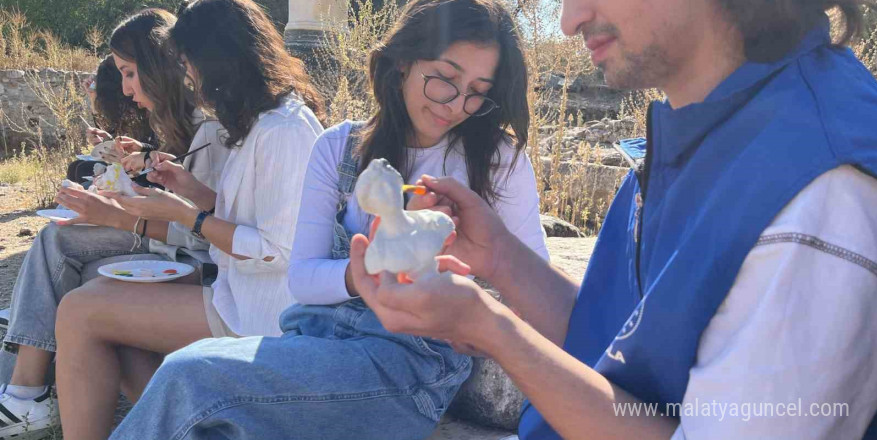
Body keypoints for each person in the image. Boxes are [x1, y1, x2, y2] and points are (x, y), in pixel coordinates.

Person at [345, 0, 877, 439]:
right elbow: (621, 345)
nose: (569, 20)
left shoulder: (821, 188)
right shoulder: (698, 133)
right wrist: (501, 257)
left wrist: (490, 328)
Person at [107, 1, 547, 439]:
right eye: (445, 80)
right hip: (314, 339)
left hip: (407, 365)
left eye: (477, 91)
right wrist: (372, 264)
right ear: (403, 62)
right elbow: (302, 278)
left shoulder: (495, 160)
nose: (457, 104)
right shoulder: (339, 148)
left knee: (190, 374)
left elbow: (533, 282)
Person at [53, 1, 325, 439]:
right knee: (104, 308)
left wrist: (187, 215)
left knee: (80, 311)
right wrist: (189, 189)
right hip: (236, 290)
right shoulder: (256, 121)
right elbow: (250, 213)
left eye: (187, 64)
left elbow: (278, 250)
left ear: (217, 61)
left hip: (259, 313)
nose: (187, 77)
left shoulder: (284, 130)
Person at [0, 9, 230, 439]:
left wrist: (120, 212)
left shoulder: (216, 129)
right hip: (189, 252)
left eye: (129, 73)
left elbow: (205, 227)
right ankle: (29, 389)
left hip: (211, 272)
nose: (124, 89)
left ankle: (27, 392)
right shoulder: (191, 124)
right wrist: (139, 159)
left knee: (61, 247)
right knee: (72, 259)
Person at [70, 55, 156, 184]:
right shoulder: (136, 111)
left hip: (150, 179)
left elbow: (162, 160)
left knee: (83, 170)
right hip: (138, 170)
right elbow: (117, 132)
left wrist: (134, 160)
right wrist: (106, 140)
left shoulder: (156, 112)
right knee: (76, 168)